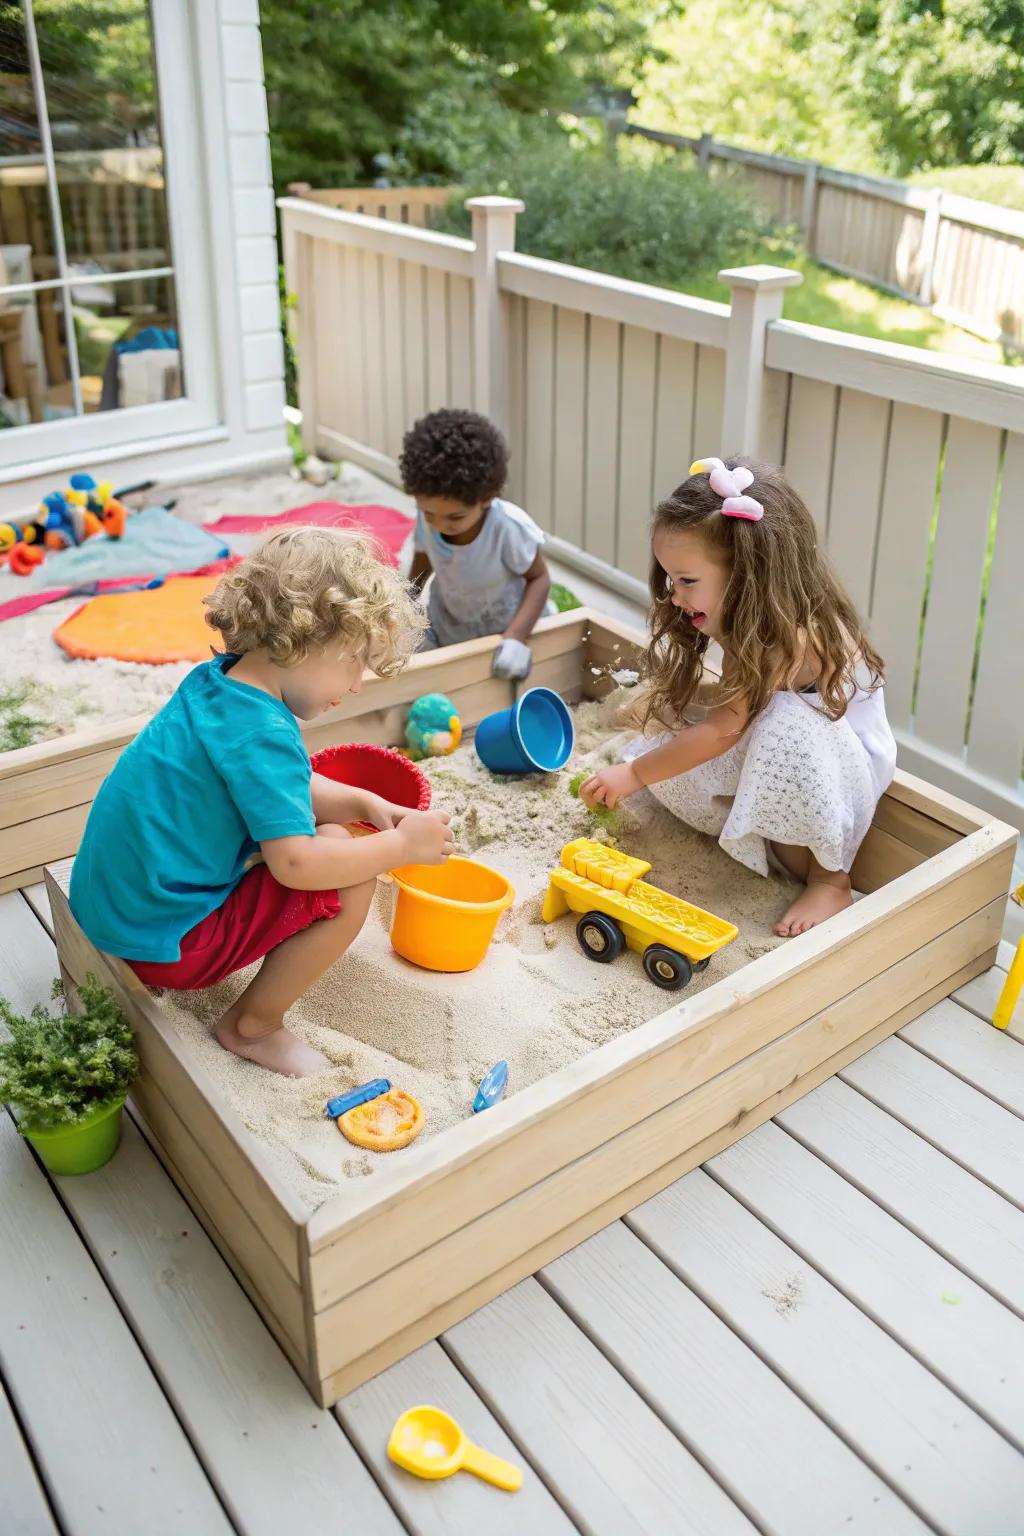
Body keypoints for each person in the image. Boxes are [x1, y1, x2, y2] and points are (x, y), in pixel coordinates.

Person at [70, 527, 455, 1078]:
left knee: (339, 833)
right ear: (307, 641)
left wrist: (364, 803)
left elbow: (279, 788)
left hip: (110, 910)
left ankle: (249, 1015)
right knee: (347, 872)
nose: (359, 680)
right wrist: (398, 846)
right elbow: (295, 863)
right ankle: (253, 1027)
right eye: (353, 659)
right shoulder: (263, 735)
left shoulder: (219, 684)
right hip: (162, 942)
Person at [580, 456, 896, 938]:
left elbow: (724, 729)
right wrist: (644, 768)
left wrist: (635, 774)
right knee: (665, 760)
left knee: (767, 726)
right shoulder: (756, 619)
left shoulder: (788, 638)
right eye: (670, 578)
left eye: (688, 581)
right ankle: (771, 838)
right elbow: (726, 723)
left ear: (750, 574)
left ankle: (831, 879)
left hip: (839, 765)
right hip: (783, 748)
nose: (674, 596)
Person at [399, 407, 552, 680]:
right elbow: (422, 564)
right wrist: (403, 603)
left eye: (455, 517)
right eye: (428, 512)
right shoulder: (428, 521)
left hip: (507, 628)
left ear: (486, 498)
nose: (438, 524)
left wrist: (515, 637)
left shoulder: (507, 527)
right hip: (451, 623)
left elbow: (539, 579)